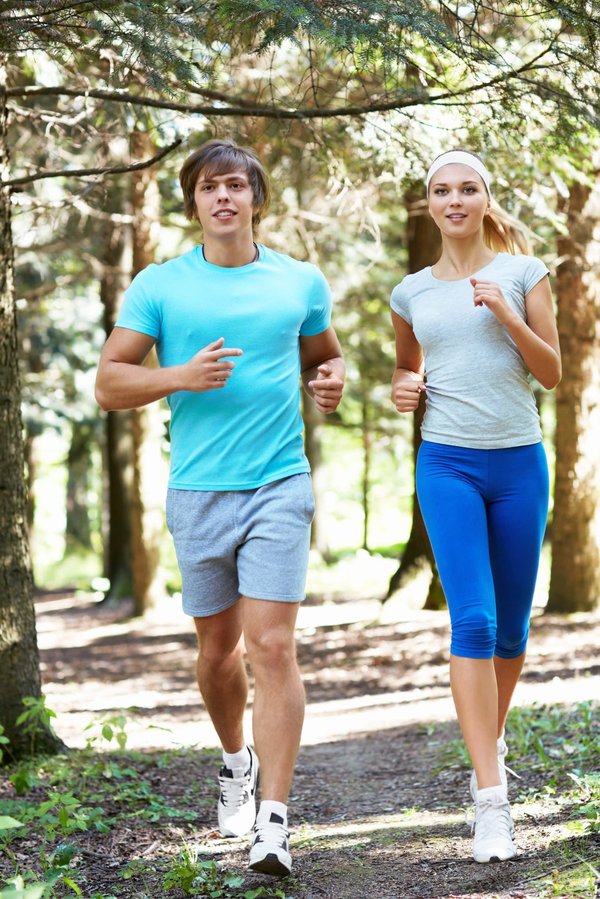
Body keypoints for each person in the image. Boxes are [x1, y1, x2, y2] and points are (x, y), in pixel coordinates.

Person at [95, 138, 345, 877]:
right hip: (199, 488)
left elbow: (321, 355)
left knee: (272, 647)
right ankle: (235, 759)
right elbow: (110, 383)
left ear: (256, 199)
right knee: (217, 655)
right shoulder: (160, 286)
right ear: (195, 202)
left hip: (278, 482)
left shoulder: (299, 281)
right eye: (210, 187)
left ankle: (274, 821)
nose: (224, 197)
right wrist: (179, 375)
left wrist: (328, 381)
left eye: (236, 185)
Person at [390, 149, 561, 863]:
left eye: (468, 189)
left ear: (486, 200)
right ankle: (492, 802)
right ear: (428, 204)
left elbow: (551, 371)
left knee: (513, 632)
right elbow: (408, 367)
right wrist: (402, 388)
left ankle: (484, 747)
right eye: (441, 190)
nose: (454, 199)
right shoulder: (410, 293)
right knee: (477, 618)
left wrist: (507, 314)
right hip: (448, 463)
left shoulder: (525, 273)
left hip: (520, 464)